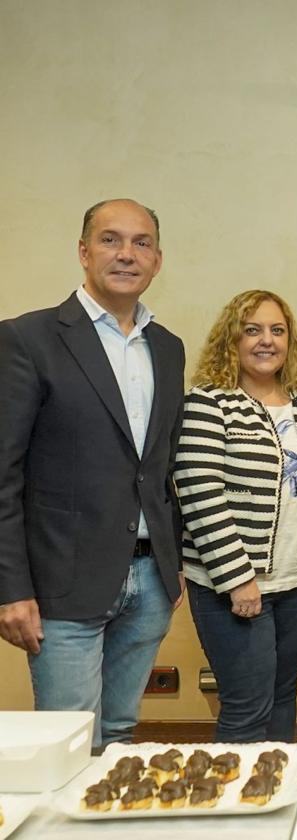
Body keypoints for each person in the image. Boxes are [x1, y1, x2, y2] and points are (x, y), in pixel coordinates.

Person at [0, 199, 185, 747]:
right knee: (68, 739)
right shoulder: (27, 339)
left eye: (141, 243)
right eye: (110, 240)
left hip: (151, 581)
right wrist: (10, 588)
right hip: (63, 581)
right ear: (83, 252)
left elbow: (161, 465)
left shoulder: (168, 348)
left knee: (121, 732)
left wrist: (172, 563)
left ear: (157, 260)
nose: (126, 254)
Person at [173, 290, 297, 742]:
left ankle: (274, 795)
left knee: (283, 694)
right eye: (253, 330)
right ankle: (236, 809)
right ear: (232, 338)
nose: (267, 341)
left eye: (277, 331)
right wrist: (238, 577)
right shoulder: (210, 402)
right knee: (246, 706)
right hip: (234, 584)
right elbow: (199, 494)